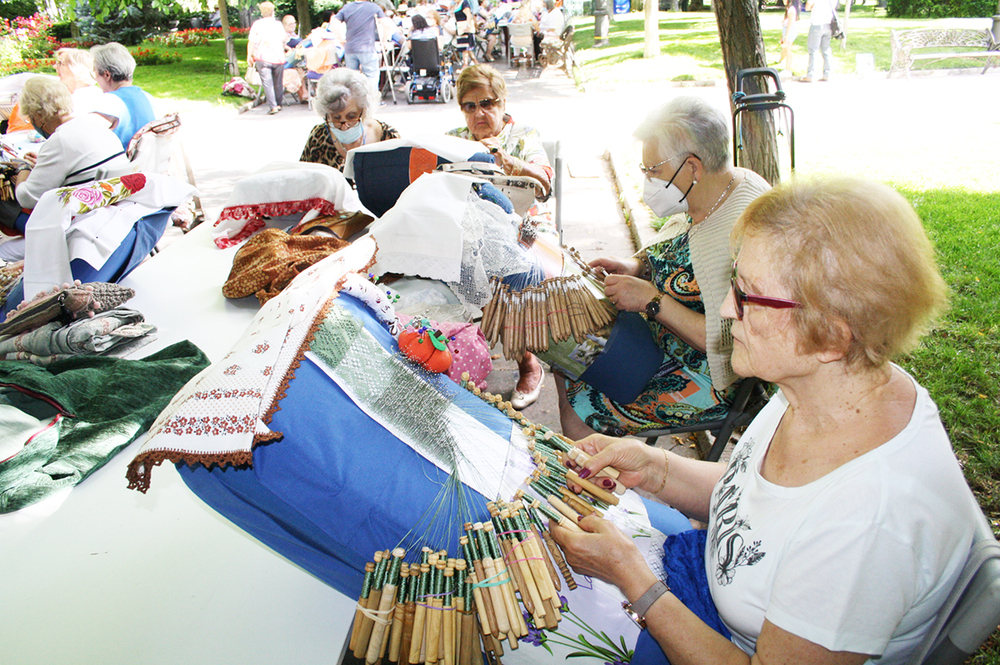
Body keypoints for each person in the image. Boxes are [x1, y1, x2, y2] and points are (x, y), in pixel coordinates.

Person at [551, 174, 981, 665]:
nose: (727, 309)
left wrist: (633, 578)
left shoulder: (871, 520)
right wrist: (655, 469)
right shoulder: (831, 382)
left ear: (831, 336)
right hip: (702, 577)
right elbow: (756, 501)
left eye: (749, 294)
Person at [555, 96, 770, 439]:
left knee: (584, 393)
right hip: (659, 338)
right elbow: (678, 241)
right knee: (568, 350)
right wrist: (634, 264)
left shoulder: (746, 227)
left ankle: (597, 478)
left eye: (654, 170)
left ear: (693, 168)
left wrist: (652, 301)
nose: (648, 181)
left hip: (708, 376)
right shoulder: (715, 189)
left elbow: (723, 341)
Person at [447, 64, 552, 409]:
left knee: (503, 268)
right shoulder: (452, 140)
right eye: (469, 105)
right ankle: (465, 355)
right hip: (472, 231)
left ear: (503, 102)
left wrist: (511, 162)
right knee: (446, 264)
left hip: (527, 226)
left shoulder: (522, 135)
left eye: (488, 103)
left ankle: (527, 363)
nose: (479, 112)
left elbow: (545, 182)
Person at [0, 76, 131, 260]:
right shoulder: (96, 127)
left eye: (31, 118)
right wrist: (44, 164)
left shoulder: (60, 140)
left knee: (3, 248)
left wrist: (23, 169)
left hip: (77, 232)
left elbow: (26, 198)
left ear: (38, 116)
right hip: (109, 219)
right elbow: (77, 166)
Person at [299, 68, 399, 173]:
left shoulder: (388, 137)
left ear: (364, 110)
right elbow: (303, 181)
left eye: (351, 116)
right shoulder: (318, 137)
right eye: (336, 118)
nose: (344, 126)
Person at [91, 42, 156, 148]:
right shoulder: (148, 97)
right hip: (149, 161)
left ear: (107, 75)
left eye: (95, 74)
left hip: (123, 162)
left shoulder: (109, 101)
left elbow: (86, 136)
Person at [334, 0, 386, 93]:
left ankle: (354, 101)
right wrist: (384, 41)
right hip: (367, 48)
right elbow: (387, 25)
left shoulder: (347, 8)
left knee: (352, 78)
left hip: (350, 48)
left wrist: (339, 38)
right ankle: (371, 100)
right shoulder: (373, 7)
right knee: (371, 76)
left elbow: (334, 22)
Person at [247, 2, 287, 115]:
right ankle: (279, 103)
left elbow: (252, 41)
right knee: (278, 82)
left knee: (267, 82)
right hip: (278, 57)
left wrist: (249, 55)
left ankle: (273, 106)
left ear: (261, 12)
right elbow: (284, 38)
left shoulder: (257, 24)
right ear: (273, 12)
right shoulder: (278, 24)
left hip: (262, 57)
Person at [53, 48, 104, 116]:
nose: (55, 66)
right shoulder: (60, 93)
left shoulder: (90, 97)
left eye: (60, 63)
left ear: (76, 67)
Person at [803, 0, 834, 82]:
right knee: (826, 50)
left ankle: (810, 75)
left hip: (817, 24)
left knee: (813, 50)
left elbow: (807, 7)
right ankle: (827, 74)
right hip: (828, 24)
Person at [775, 0, 801, 75]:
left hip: (790, 31)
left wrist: (786, 36)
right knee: (784, 48)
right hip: (787, 31)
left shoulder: (791, 9)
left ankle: (788, 70)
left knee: (788, 49)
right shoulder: (789, 9)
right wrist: (783, 36)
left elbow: (790, 24)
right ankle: (780, 60)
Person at [453, 0, 477, 67]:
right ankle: (476, 62)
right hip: (460, 28)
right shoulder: (456, 5)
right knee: (466, 48)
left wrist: (468, 25)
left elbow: (468, 15)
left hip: (465, 28)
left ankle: (465, 64)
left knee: (465, 48)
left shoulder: (464, 3)